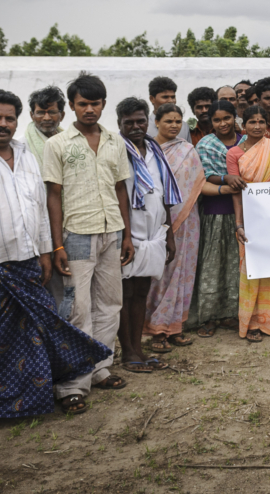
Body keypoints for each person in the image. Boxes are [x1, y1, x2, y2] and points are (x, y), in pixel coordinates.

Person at [0, 89, 111, 446]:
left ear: (18, 121)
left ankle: (29, 398)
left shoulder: (29, 155)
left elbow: (40, 209)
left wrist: (45, 253)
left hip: (27, 264)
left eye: (9, 118)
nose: (3, 124)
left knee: (30, 335)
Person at [43, 72, 133, 413]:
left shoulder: (114, 141)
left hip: (111, 233)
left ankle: (99, 368)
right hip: (76, 234)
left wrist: (126, 234)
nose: (90, 109)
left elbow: (120, 187)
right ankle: (71, 385)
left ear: (104, 104)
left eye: (95, 103)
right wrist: (57, 246)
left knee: (110, 304)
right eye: (83, 104)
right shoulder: (58, 145)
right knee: (76, 309)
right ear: (72, 106)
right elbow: (53, 195)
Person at [146, 103, 218, 353]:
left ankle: (174, 327)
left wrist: (226, 189)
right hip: (158, 222)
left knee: (184, 270)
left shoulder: (188, 150)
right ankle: (156, 328)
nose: (174, 125)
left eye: (178, 121)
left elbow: (199, 185)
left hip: (189, 220)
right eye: (168, 121)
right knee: (161, 274)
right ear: (156, 122)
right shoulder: (147, 150)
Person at [116, 98, 180, 373]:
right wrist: (125, 237)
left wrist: (169, 236)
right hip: (128, 234)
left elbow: (164, 193)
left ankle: (138, 349)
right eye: (128, 122)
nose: (135, 126)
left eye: (140, 121)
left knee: (142, 291)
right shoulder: (117, 150)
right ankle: (127, 352)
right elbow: (116, 194)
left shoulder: (155, 149)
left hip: (154, 231)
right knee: (125, 293)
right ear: (119, 123)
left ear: (148, 120)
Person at [228, 105, 270, 341]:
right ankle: (254, 322)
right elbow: (236, 192)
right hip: (250, 217)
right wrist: (239, 223)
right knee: (252, 269)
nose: (257, 126)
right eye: (252, 122)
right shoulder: (234, 154)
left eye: (261, 122)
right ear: (243, 125)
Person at [190, 100, 244, 336]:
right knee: (213, 264)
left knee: (236, 264)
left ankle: (232, 313)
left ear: (235, 117)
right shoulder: (205, 144)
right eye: (217, 120)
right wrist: (226, 179)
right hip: (215, 210)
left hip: (244, 212)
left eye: (227, 118)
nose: (223, 124)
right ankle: (209, 316)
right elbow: (204, 174)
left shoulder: (247, 141)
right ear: (211, 122)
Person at [24, 85, 65, 173]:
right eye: (41, 113)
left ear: (62, 116)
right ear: (32, 116)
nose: (46, 118)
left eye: (52, 112)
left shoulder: (69, 142)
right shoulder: (21, 146)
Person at [146, 76, 190, 141]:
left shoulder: (184, 126)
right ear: (152, 99)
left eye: (173, 97)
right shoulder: (145, 127)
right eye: (165, 97)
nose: (170, 101)